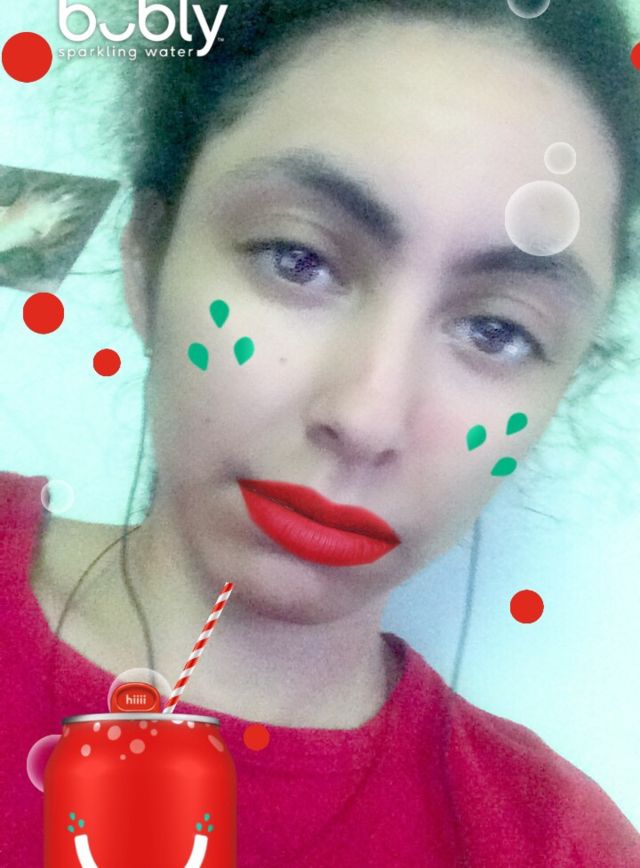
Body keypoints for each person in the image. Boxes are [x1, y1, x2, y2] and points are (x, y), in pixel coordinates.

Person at [1, 0, 639, 864]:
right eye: (297, 258)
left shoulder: (557, 848)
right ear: (148, 256)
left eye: (498, 331)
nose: (367, 418)